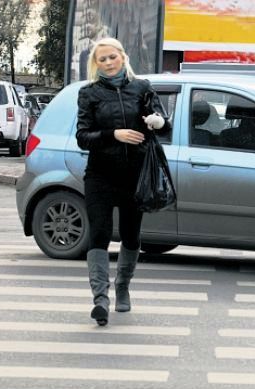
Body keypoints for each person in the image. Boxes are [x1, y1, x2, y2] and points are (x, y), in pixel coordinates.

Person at [76, 38, 170, 326]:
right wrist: (112, 135)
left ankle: (123, 286)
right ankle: (100, 298)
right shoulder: (88, 93)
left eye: (112, 57)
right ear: (96, 64)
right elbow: (82, 137)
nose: (107, 62)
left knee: (131, 235)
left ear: (122, 57)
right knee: (99, 233)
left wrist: (158, 122)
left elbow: (164, 123)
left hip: (135, 173)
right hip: (100, 175)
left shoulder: (141, 88)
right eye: (101, 59)